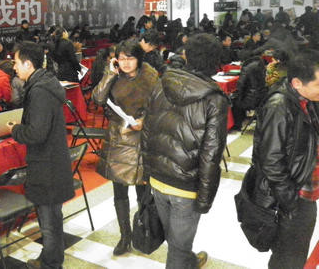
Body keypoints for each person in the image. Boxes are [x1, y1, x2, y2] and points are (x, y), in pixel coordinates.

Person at [142, 33, 229, 269]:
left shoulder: (162, 83)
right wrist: (205, 198)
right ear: (216, 62)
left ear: (186, 56)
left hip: (158, 178)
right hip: (185, 186)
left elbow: (147, 132)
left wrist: (147, 174)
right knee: (177, 249)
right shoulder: (215, 99)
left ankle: (190, 261)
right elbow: (211, 155)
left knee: (176, 242)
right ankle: (186, 261)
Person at [3, 42, 74, 269]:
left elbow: (36, 133)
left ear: (28, 64)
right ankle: (50, 258)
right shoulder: (45, 83)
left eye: (16, 62)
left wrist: (15, 129)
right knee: (52, 217)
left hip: (47, 164)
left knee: (49, 220)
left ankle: (51, 263)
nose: (14, 67)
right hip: (52, 159)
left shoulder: (39, 91)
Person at [251, 49, 319, 268]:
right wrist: (290, 201)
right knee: (289, 257)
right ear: (297, 83)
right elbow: (271, 161)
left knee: (295, 251)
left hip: (305, 187)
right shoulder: (279, 106)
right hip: (294, 195)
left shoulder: (308, 99)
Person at [93, 39, 158, 255]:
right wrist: (109, 74)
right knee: (119, 191)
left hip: (141, 138)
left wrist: (144, 121)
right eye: (121, 58)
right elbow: (98, 98)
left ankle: (143, 231)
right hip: (118, 139)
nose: (126, 63)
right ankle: (125, 236)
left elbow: (159, 105)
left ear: (139, 58)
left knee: (142, 191)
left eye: (130, 58)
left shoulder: (150, 76)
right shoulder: (114, 75)